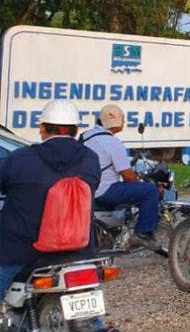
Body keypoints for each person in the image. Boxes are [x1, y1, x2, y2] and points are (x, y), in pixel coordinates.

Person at [0, 100, 101, 300]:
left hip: (21, 252)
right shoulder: (90, 159)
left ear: (43, 129)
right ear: (75, 130)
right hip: (80, 250)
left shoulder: (19, 159)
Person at [81, 104, 160, 245]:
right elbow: (128, 176)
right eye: (123, 119)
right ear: (116, 122)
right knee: (150, 191)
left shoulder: (86, 136)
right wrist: (139, 181)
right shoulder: (112, 142)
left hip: (86, 189)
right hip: (104, 191)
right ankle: (142, 233)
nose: (124, 122)